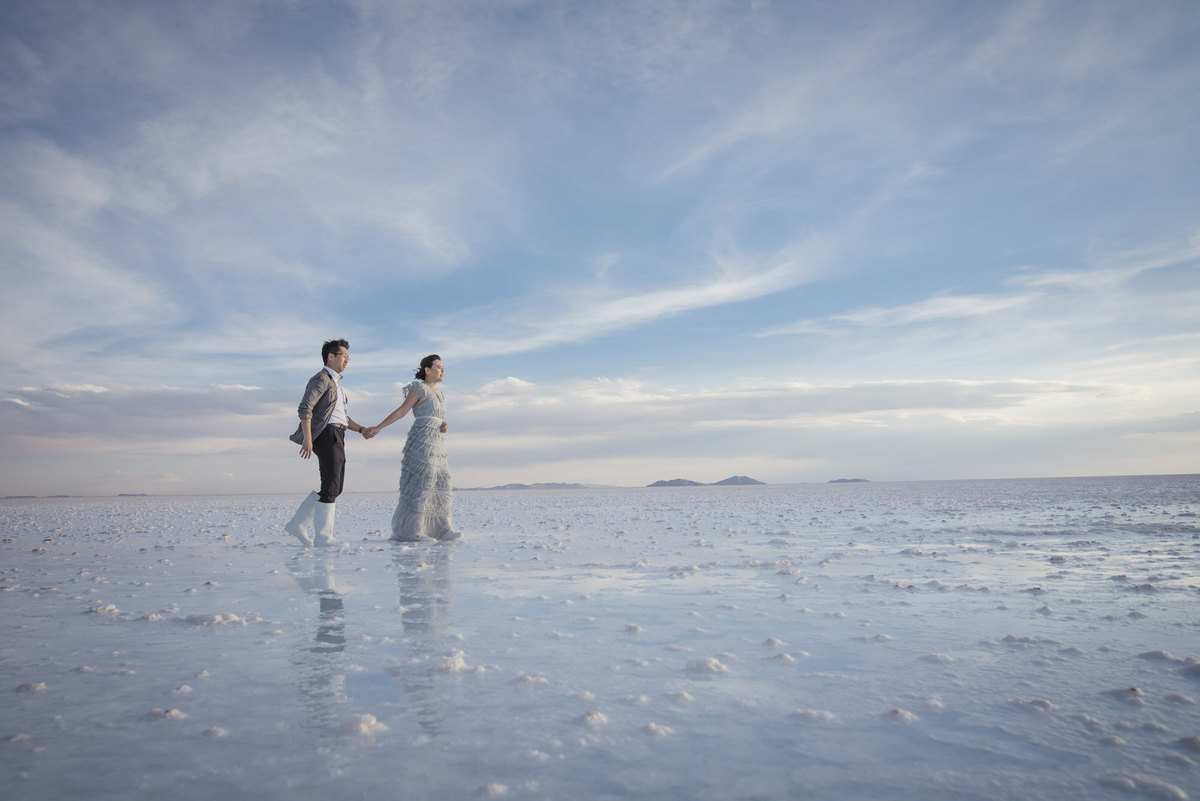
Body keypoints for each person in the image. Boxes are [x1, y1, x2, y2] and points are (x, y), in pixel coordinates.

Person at [364, 355, 462, 542]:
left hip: (438, 442)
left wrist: (444, 424)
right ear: (427, 369)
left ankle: (442, 528)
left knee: (440, 481)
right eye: (439, 367)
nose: (443, 370)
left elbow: (436, 416)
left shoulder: (440, 394)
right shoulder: (419, 388)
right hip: (422, 440)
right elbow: (402, 411)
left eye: (443, 367)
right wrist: (378, 427)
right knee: (423, 482)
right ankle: (413, 530)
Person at [285, 339, 369, 546]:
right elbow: (305, 408)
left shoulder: (337, 384)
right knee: (331, 484)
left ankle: (297, 524)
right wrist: (307, 437)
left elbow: (340, 416)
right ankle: (323, 537)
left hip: (338, 433)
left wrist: (360, 429)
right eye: (343, 356)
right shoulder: (321, 378)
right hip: (326, 434)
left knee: (335, 486)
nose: (347, 360)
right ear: (330, 357)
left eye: (349, 357)